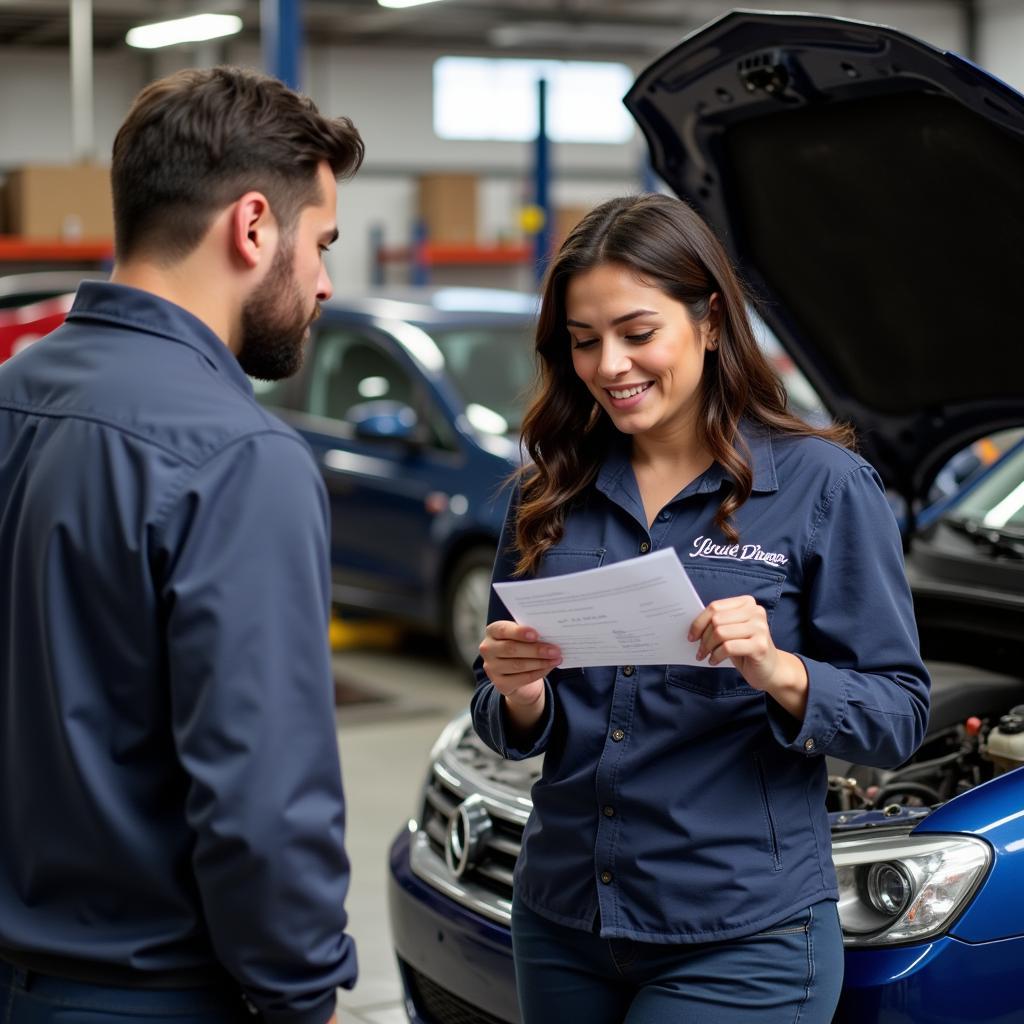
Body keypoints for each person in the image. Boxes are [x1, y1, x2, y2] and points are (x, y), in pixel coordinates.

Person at [471, 193, 930, 1024]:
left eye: (638, 333)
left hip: (740, 940)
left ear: (711, 322)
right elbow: (501, 712)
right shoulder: (549, 491)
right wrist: (518, 694)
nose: (610, 365)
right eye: (583, 342)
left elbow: (898, 716)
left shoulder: (821, 487)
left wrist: (782, 671)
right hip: (562, 921)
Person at [0, 67, 364, 1024]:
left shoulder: (12, 394)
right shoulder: (242, 458)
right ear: (253, 226)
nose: (326, 281)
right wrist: (301, 994)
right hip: (150, 996)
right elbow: (263, 800)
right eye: (321, 242)